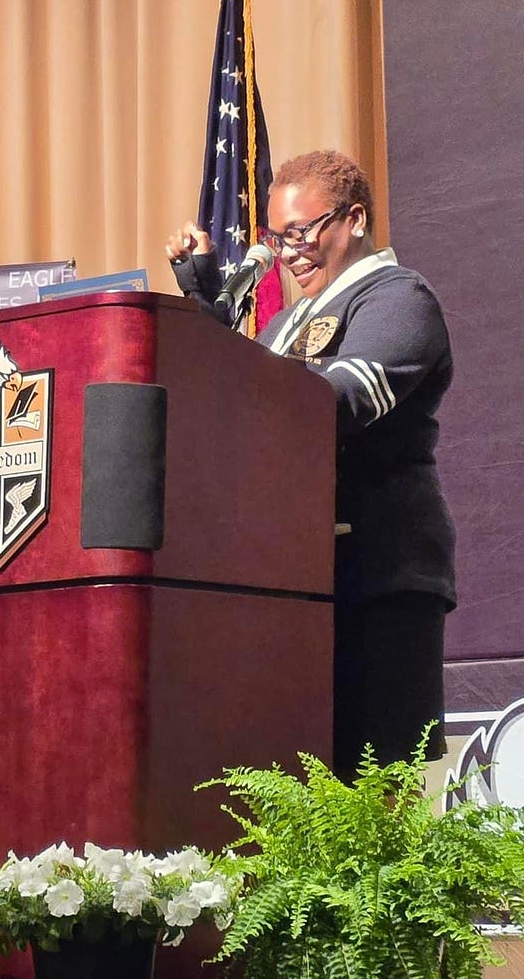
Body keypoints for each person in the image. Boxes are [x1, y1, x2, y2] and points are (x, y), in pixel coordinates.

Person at [166, 149, 455, 772]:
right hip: (296, 581)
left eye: (302, 232)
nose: (288, 252)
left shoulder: (400, 298)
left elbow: (342, 399)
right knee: (298, 784)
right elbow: (236, 416)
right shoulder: (288, 321)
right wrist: (207, 313)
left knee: (374, 789)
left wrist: (241, 374)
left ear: (354, 218)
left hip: (379, 576)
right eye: (277, 236)